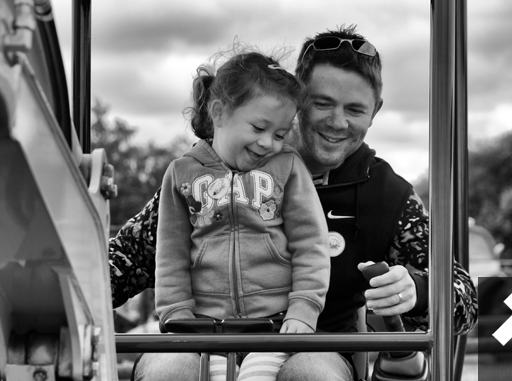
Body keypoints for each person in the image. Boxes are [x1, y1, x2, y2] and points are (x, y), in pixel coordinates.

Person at [109, 25, 478, 381]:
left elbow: (465, 297)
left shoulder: (387, 195)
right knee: (168, 370)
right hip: (203, 338)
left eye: (355, 109)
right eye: (323, 104)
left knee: (310, 373)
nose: (337, 122)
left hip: (315, 347)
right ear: (297, 101)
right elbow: (123, 262)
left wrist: (416, 289)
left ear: (376, 110)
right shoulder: (207, 175)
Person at [154, 49, 331, 381]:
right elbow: (170, 254)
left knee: (255, 376)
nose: (269, 143)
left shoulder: (287, 167)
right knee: (210, 374)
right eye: (259, 128)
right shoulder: (182, 173)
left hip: (275, 324)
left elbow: (311, 243)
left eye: (280, 134)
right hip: (206, 327)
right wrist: (176, 313)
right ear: (219, 112)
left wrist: (304, 307)